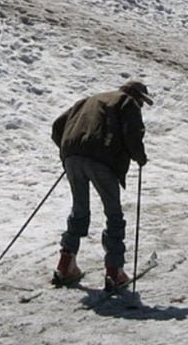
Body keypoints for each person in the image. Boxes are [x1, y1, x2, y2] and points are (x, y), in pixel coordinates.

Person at [50, 80, 151, 289]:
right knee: (113, 214)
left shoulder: (88, 100)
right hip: (101, 159)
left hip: (72, 156)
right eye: (142, 103)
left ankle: (65, 264)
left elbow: (58, 125)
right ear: (137, 96)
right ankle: (115, 272)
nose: (140, 107)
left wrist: (72, 148)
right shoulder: (127, 101)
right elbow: (132, 132)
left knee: (79, 210)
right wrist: (139, 157)